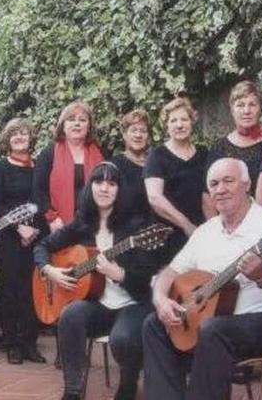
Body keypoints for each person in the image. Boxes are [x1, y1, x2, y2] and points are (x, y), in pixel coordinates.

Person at [142, 158, 262, 400]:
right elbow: (171, 271)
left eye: (229, 181)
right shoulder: (206, 232)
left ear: (246, 184)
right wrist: (160, 298)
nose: (221, 189)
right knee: (154, 325)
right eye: (214, 184)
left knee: (212, 331)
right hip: (216, 323)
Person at [36, 162, 165, 400]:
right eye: (98, 182)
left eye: (112, 183)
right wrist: (49, 270)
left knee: (123, 339)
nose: (104, 188)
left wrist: (120, 274)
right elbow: (43, 246)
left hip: (133, 304)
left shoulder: (138, 228)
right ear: (90, 187)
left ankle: (127, 387)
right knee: (70, 315)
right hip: (99, 304)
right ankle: (72, 391)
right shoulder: (82, 223)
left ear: (119, 189)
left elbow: (146, 280)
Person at [0, 118, 47, 365]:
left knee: (33, 289)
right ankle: (12, 343)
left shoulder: (39, 167)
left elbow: (43, 200)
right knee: (11, 289)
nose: (20, 137)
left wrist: (33, 231)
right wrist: (19, 228)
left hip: (37, 236)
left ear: (31, 137)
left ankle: (29, 343)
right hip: (9, 236)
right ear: (7, 139)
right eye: (14, 134)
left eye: (24, 133)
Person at [145, 97, 210, 261]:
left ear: (192, 121)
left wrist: (212, 230)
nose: (179, 125)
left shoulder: (204, 153)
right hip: (165, 236)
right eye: (173, 120)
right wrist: (186, 225)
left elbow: (208, 195)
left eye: (184, 119)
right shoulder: (157, 155)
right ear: (166, 126)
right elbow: (155, 198)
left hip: (201, 234)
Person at [33, 101, 105, 233]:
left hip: (92, 226)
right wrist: (52, 219)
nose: (77, 124)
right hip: (57, 227)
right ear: (63, 126)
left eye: (82, 120)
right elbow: (38, 191)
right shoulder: (49, 153)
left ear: (89, 127)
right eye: (71, 119)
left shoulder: (100, 153)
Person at [207, 80, 262, 200]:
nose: (246, 111)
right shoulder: (219, 149)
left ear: (261, 108)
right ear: (232, 110)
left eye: (252, 104)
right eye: (240, 105)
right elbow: (208, 195)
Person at [109, 109, 153, 229]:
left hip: (158, 233)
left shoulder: (156, 162)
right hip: (126, 234)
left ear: (148, 136)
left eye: (143, 131)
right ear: (124, 135)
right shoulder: (114, 165)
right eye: (133, 130)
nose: (138, 135)